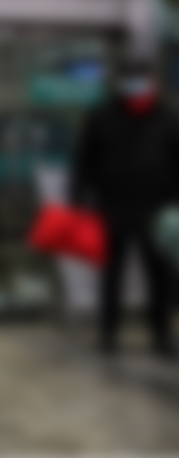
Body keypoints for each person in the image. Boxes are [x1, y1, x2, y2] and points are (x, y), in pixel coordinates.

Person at [72, 62, 178, 358]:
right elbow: (85, 161)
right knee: (111, 275)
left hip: (156, 211)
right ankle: (108, 333)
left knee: (159, 275)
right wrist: (77, 199)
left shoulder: (167, 118)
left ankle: (161, 334)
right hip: (112, 207)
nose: (136, 88)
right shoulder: (103, 117)